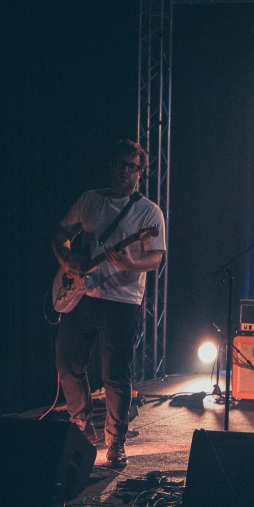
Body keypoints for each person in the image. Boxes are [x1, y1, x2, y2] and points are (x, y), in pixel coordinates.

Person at [53, 140, 166, 466]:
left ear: (140, 173)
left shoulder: (149, 212)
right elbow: (61, 234)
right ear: (111, 166)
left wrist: (129, 262)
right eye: (120, 164)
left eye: (132, 167)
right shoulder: (90, 200)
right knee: (67, 364)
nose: (124, 171)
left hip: (122, 302)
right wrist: (66, 259)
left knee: (115, 376)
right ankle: (82, 428)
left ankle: (116, 442)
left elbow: (156, 258)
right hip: (81, 296)